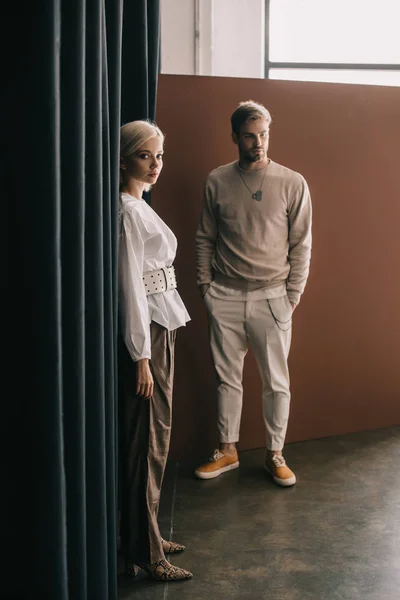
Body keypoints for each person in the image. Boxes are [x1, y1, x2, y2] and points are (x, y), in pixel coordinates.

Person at [195, 100, 312, 487]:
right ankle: (227, 450)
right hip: (224, 295)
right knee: (227, 379)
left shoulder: (292, 182)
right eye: (250, 135)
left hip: (273, 296)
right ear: (235, 137)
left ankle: (275, 453)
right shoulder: (217, 181)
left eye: (263, 134)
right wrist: (205, 288)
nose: (258, 142)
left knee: (277, 382)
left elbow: (302, 244)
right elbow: (205, 238)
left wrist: (291, 296)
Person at [118, 120, 193, 581]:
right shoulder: (127, 211)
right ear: (125, 158)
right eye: (147, 156)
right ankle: (146, 552)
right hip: (150, 329)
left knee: (158, 439)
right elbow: (130, 285)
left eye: (160, 156)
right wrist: (141, 354)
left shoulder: (140, 205)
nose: (156, 164)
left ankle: (147, 532)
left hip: (165, 319)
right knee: (147, 442)